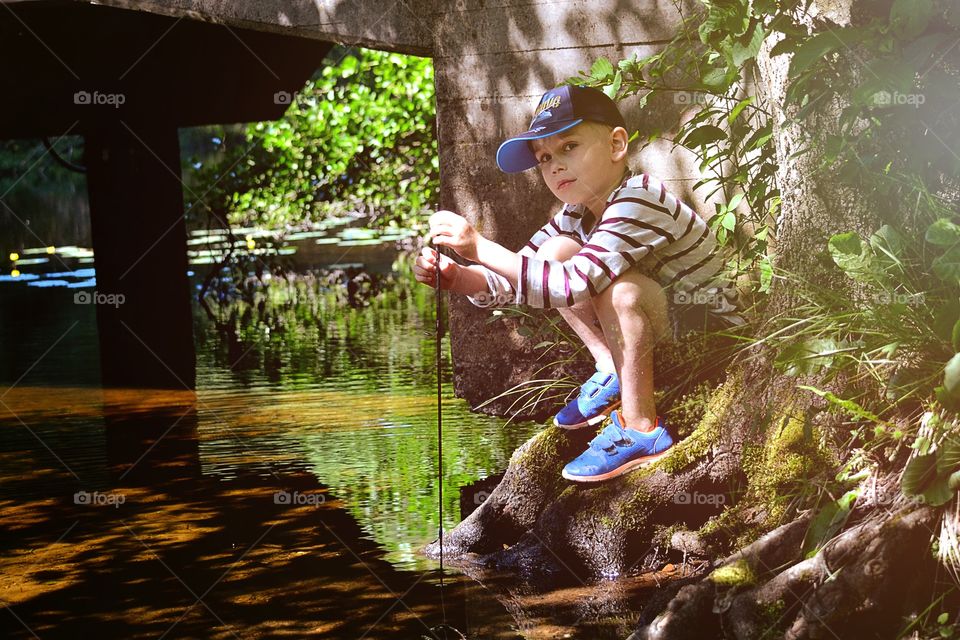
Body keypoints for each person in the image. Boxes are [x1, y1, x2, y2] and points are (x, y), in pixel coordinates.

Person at [414, 84, 743, 483]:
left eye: (569, 147)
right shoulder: (575, 213)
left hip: (716, 338)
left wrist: (480, 246)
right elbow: (528, 273)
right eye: (545, 157)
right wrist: (460, 277)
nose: (554, 165)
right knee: (554, 251)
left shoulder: (638, 199)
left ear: (616, 144)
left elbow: (571, 285)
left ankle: (641, 429)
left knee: (621, 292)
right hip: (671, 325)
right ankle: (612, 371)